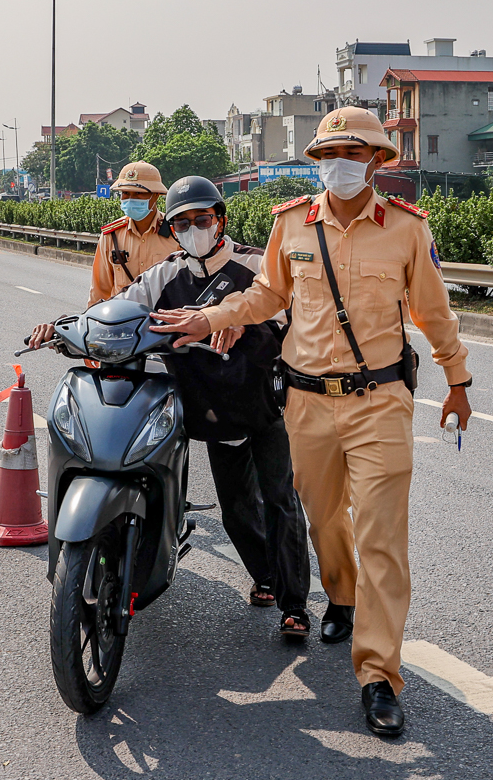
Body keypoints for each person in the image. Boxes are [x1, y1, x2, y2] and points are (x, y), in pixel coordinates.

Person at [150, 107, 473, 737]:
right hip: (305, 402)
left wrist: (457, 380)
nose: (341, 164)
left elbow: (435, 314)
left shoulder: (406, 231)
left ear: (378, 161)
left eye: (355, 153)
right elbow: (268, 295)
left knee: (381, 536)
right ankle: (341, 596)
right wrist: (209, 318)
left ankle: (378, 674)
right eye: (330, 153)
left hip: (380, 400)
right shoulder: (292, 224)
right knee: (324, 519)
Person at [30, 176, 312, 637]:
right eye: (183, 222)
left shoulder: (254, 265)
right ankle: (266, 576)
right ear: (174, 229)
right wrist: (62, 327)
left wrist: (241, 326)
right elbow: (116, 309)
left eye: (203, 219)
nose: (194, 228)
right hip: (206, 406)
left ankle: (295, 605)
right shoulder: (167, 273)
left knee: (279, 499)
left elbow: (286, 315)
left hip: (260, 401)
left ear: (220, 220)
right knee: (236, 506)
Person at [86, 161, 181, 307]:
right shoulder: (111, 235)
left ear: (155, 196)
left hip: (165, 321)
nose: (131, 199)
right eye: (125, 193)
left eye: (139, 193)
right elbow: (100, 290)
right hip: (121, 320)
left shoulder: (176, 232)